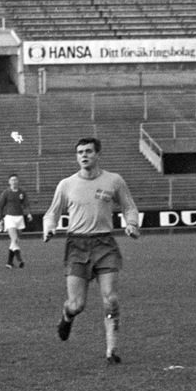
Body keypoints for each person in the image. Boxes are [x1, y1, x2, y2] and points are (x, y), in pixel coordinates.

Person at [42, 138, 140, 364]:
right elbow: (51, 213)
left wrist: (132, 224)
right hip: (77, 245)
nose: (84, 155)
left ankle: (112, 351)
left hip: (105, 244)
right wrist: (49, 228)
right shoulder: (66, 184)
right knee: (77, 304)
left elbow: (129, 206)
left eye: (88, 151)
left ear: (98, 154)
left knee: (111, 299)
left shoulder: (113, 180)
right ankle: (67, 316)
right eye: (79, 152)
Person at [0, 174, 33, 268]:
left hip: (20, 217)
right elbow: (1, 206)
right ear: (9, 182)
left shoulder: (22, 192)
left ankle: (9, 263)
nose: (14, 181)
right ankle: (19, 258)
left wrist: (29, 213)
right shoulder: (6, 193)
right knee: (14, 239)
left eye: (16, 180)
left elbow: (26, 204)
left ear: (18, 181)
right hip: (10, 217)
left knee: (15, 241)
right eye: (12, 180)